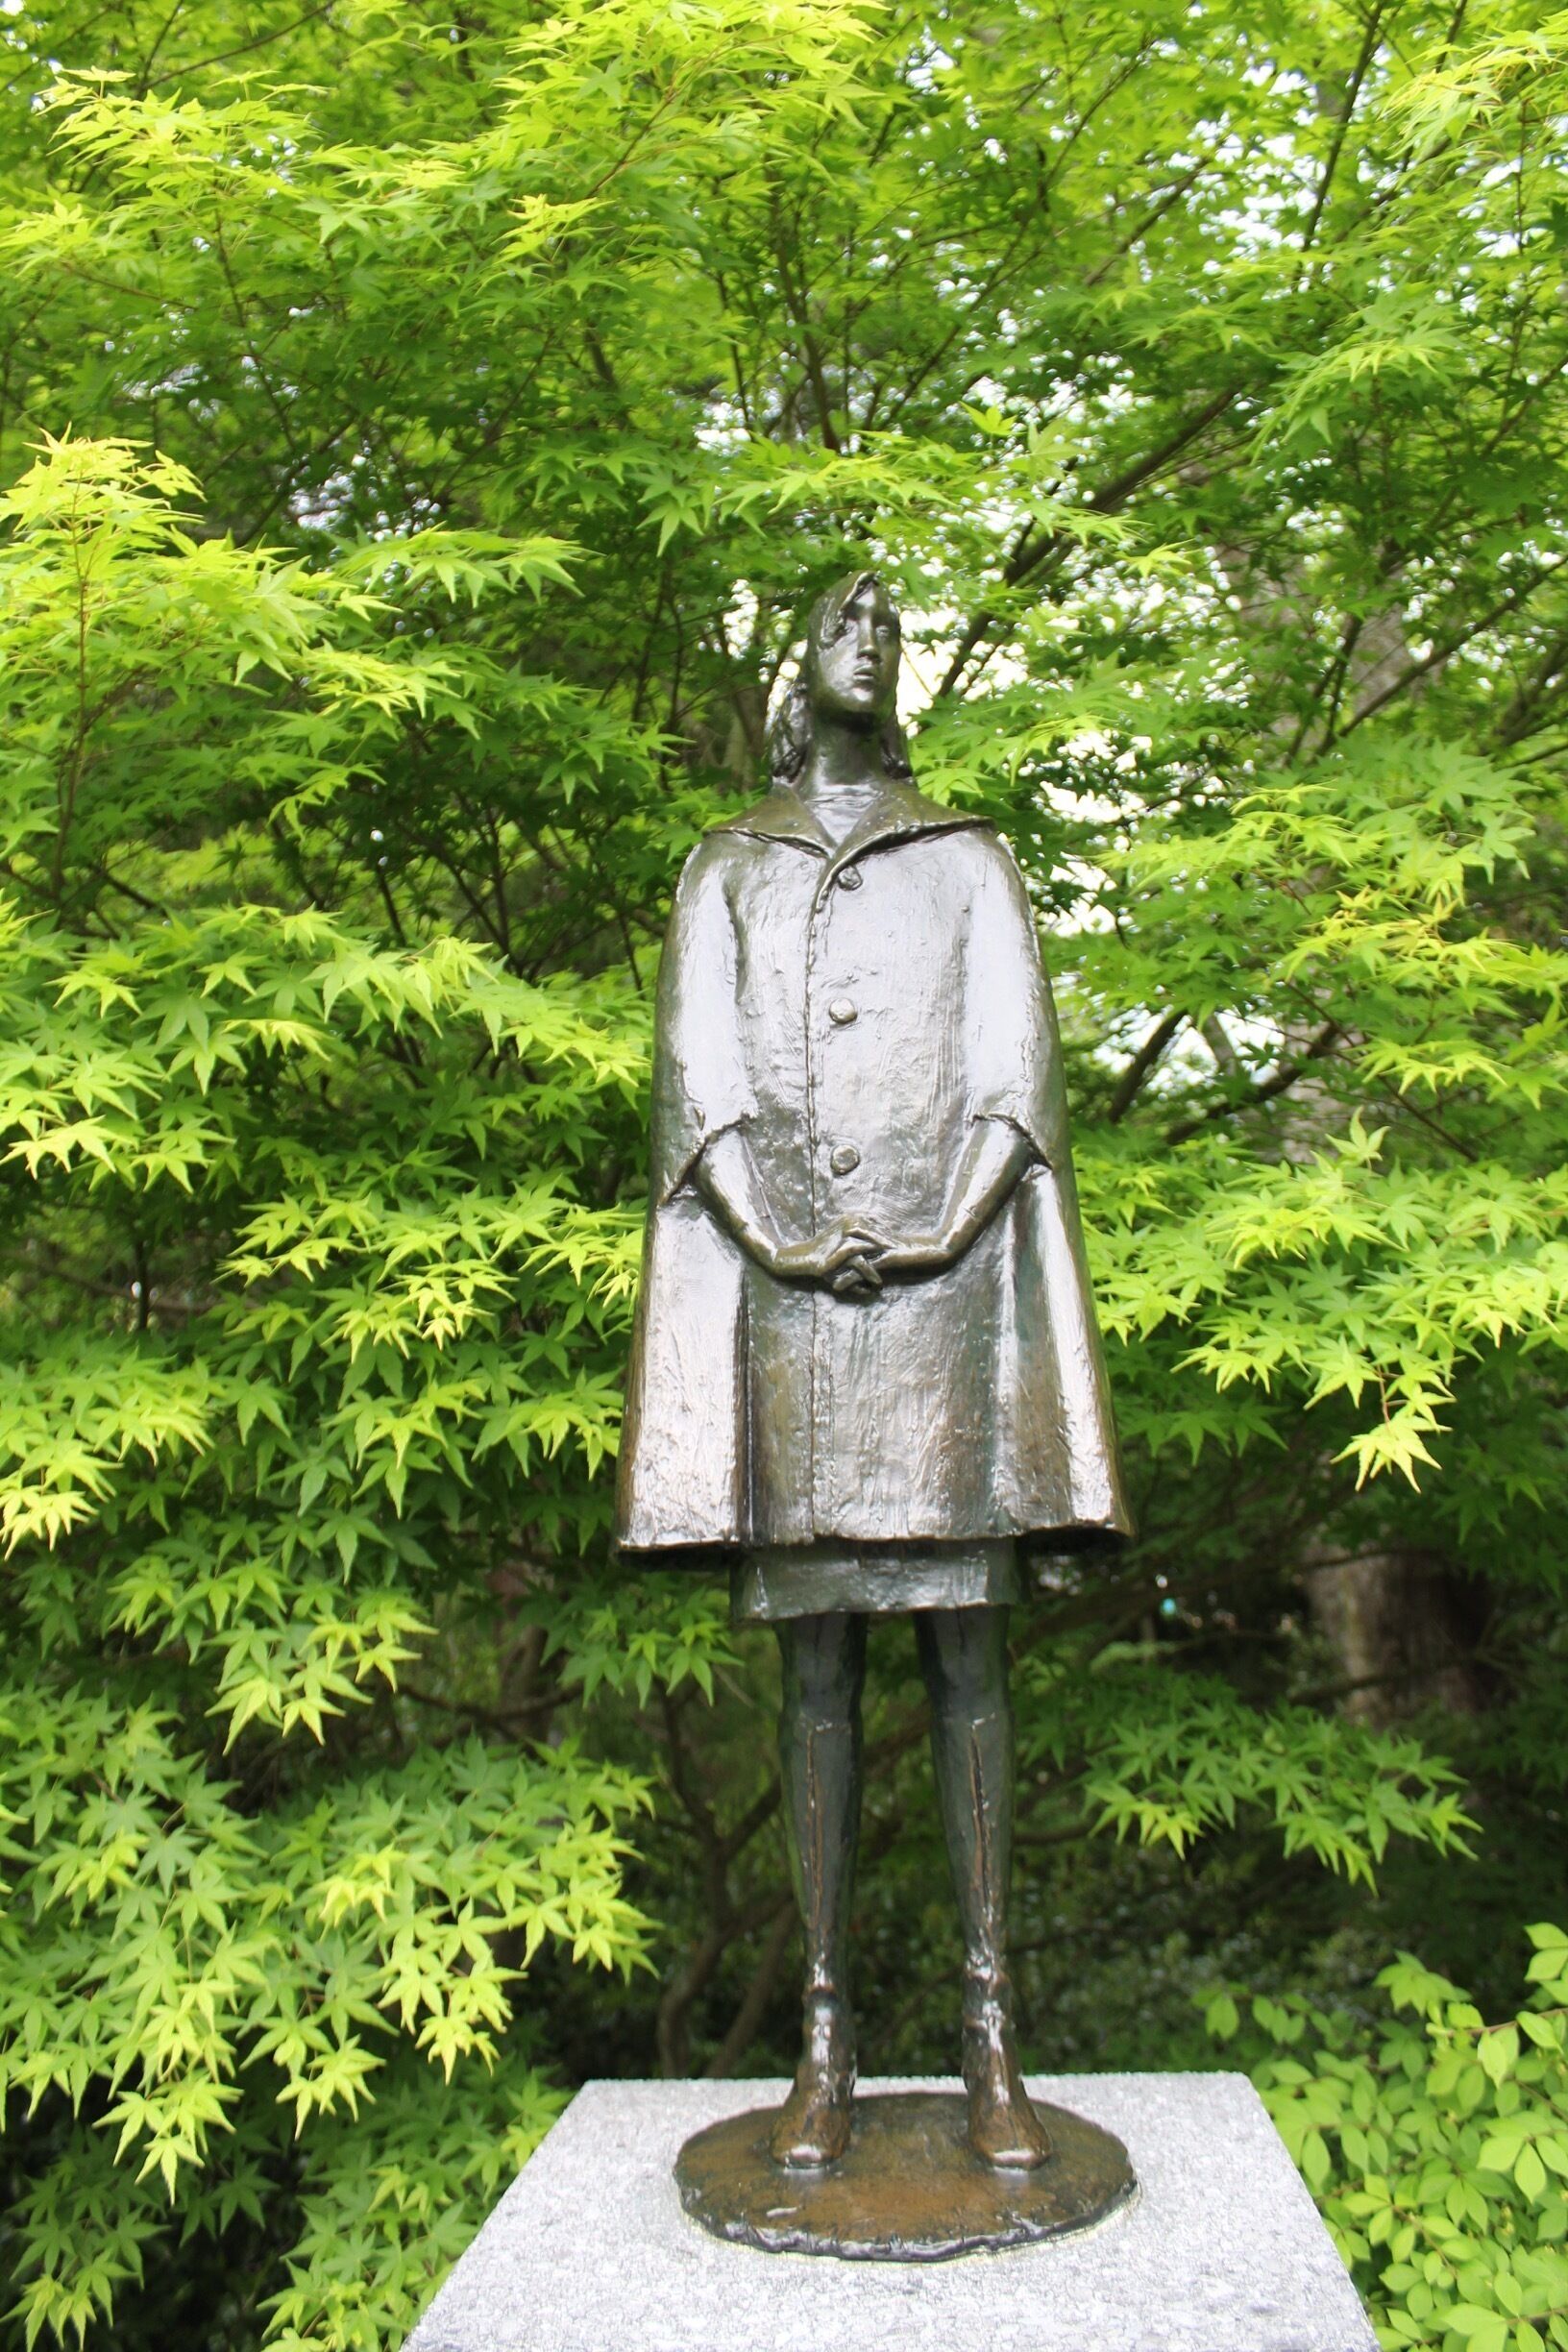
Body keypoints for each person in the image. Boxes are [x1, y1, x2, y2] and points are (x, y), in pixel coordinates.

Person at [617, 571, 1131, 2168]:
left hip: (949, 1310)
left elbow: (1017, 1079)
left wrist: (940, 1231)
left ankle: (990, 2030)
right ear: (796, 662)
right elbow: (696, 1085)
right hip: (791, 1317)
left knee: (971, 1656)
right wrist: (779, 1238)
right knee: (816, 1671)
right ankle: (824, 2037)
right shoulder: (727, 865)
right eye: (846, 623)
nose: (874, 641)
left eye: (892, 629)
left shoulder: (970, 861)